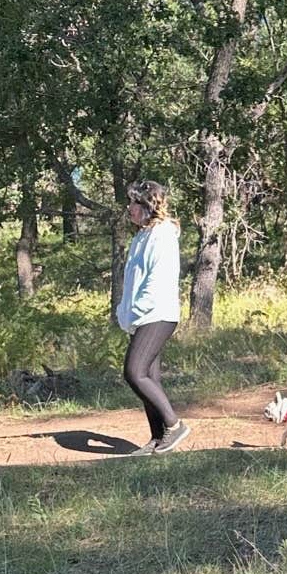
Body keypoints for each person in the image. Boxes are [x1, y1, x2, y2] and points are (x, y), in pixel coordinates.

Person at [116, 180, 189, 454]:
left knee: (134, 372)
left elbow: (158, 278)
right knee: (149, 376)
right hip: (141, 315)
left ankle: (174, 424)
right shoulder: (141, 236)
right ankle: (158, 438)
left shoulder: (162, 234)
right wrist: (124, 312)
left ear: (147, 205)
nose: (129, 208)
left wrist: (138, 309)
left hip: (157, 313)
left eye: (134, 203)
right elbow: (133, 280)